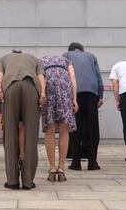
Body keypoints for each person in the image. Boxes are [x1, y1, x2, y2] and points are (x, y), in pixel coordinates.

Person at [0, 50, 46, 189]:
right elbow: (41, 77)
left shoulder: (2, 58)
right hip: (31, 88)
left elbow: (0, 74)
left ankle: (12, 181)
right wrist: (42, 94)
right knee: (31, 135)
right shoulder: (35, 59)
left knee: (10, 134)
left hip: (10, 88)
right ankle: (28, 181)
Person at [63, 42, 103, 171]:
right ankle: (93, 162)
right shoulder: (91, 56)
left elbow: (64, 75)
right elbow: (98, 77)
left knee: (75, 127)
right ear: (82, 50)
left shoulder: (66, 55)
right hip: (92, 93)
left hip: (74, 95)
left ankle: (76, 162)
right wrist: (100, 96)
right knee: (92, 128)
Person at [40, 54, 77, 183]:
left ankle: (51, 168)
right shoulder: (66, 61)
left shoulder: (42, 61)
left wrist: (41, 95)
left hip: (47, 84)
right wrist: (74, 100)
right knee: (64, 129)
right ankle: (61, 168)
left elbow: (39, 77)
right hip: (64, 86)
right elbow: (72, 77)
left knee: (49, 129)